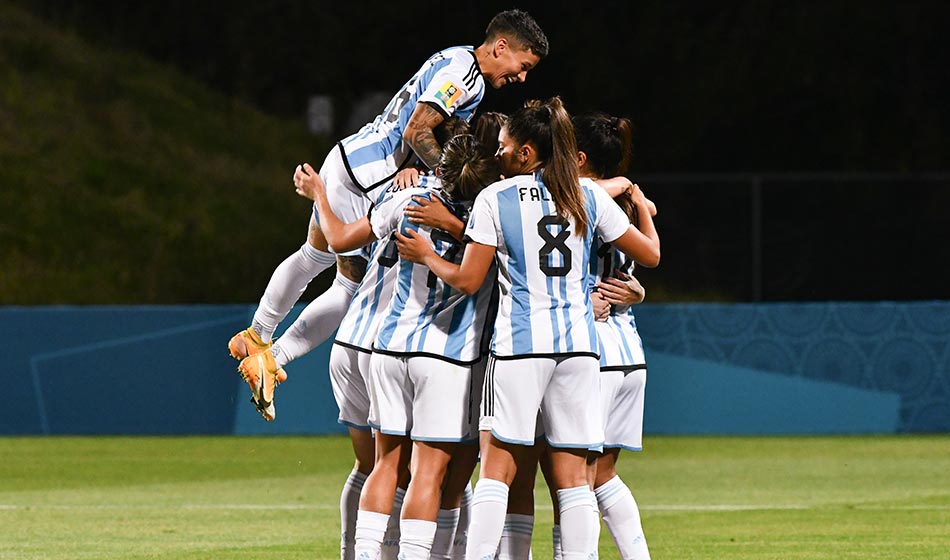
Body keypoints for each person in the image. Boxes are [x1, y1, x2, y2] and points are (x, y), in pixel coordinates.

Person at [227, 10, 550, 421]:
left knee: (316, 255)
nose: (521, 77)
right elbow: (418, 130)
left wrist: (420, 161)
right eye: (522, 67)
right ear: (500, 47)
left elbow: (421, 131)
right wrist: (447, 177)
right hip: (371, 176)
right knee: (350, 285)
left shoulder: (455, 60)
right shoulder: (464, 74)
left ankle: (257, 336)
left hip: (353, 159)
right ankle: (273, 357)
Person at [394, 96, 660, 560]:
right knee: (576, 480)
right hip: (579, 349)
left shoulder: (496, 198)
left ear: (525, 151)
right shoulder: (588, 195)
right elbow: (649, 254)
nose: (497, 152)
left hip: (519, 348)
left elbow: (469, 278)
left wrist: (428, 256)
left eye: (504, 144)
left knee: (496, 471)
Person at [295, 133, 500, 560]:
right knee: (429, 472)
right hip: (447, 355)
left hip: (387, 348)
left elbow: (340, 239)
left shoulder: (408, 197)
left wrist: (320, 195)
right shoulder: (491, 214)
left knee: (384, 464)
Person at [542, 112, 655, 560]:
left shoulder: (575, 199)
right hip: (630, 352)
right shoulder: (628, 202)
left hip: (593, 350)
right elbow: (651, 248)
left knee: (571, 483)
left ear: (580, 156)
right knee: (602, 477)